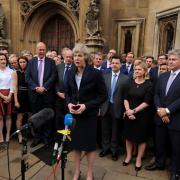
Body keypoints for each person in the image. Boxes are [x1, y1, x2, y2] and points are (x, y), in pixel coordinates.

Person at [65, 43, 107, 180]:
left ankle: (89, 172)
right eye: (75, 55)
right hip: (75, 116)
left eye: (80, 55)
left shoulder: (95, 73)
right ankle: (77, 171)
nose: (76, 58)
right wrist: (69, 103)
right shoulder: (71, 72)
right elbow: (68, 93)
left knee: (89, 146)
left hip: (89, 115)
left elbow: (103, 96)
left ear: (86, 57)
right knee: (75, 145)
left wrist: (86, 106)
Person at [145, 49, 180, 180]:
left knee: (176, 147)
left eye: (174, 59)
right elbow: (156, 94)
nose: (170, 62)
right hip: (160, 117)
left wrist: (168, 110)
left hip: (176, 119)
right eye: (169, 59)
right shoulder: (162, 76)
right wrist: (160, 110)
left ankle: (175, 171)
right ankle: (159, 163)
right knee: (159, 143)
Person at [123, 62, 153, 171]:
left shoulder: (149, 84)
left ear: (145, 71)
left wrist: (133, 111)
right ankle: (129, 156)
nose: (136, 71)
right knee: (128, 137)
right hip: (129, 114)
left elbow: (147, 102)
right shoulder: (129, 82)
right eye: (135, 69)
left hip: (142, 116)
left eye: (139, 69)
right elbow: (125, 98)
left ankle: (139, 159)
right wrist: (128, 111)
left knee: (141, 139)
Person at [26, 42, 56, 147]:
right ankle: (37, 138)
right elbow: (28, 77)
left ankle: (46, 138)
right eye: (40, 50)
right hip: (35, 95)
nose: (41, 51)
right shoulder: (31, 62)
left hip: (47, 95)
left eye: (43, 49)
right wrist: (36, 87)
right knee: (36, 118)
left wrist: (44, 87)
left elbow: (53, 76)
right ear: (36, 50)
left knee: (47, 117)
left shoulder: (51, 62)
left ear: (45, 50)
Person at [99, 56, 129, 161]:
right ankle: (105, 148)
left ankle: (114, 151)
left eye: (117, 63)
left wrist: (126, 110)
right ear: (110, 64)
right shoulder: (104, 76)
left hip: (118, 108)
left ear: (121, 65)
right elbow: (100, 93)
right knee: (105, 130)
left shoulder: (125, 78)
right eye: (113, 63)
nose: (115, 65)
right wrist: (99, 108)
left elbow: (126, 96)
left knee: (115, 131)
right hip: (105, 107)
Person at [13, 56, 30, 143]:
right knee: (20, 116)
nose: (22, 63)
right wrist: (16, 101)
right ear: (18, 63)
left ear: (27, 62)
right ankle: (19, 135)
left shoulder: (30, 71)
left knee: (31, 116)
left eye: (24, 62)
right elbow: (15, 87)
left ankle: (31, 134)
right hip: (20, 96)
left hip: (30, 95)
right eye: (21, 62)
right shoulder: (16, 73)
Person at [0, 53, 14, 143]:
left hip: (9, 94)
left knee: (8, 116)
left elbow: (13, 85)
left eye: (4, 59)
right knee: (0, 117)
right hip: (0, 95)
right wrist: (2, 96)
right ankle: (1, 136)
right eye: (1, 59)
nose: (3, 61)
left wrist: (9, 96)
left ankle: (8, 134)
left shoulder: (11, 71)